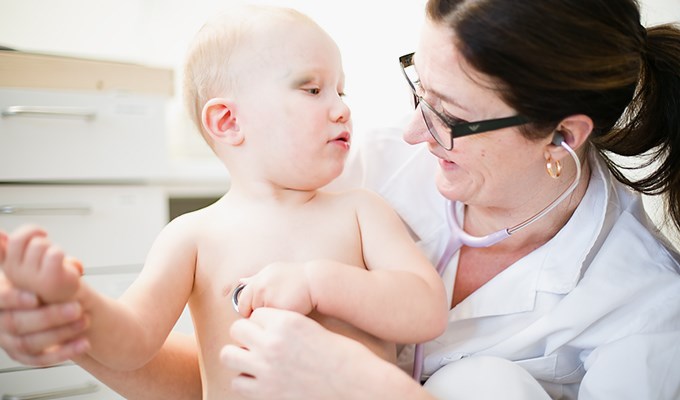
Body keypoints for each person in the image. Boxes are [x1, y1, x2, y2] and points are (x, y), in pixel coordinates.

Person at [1, 0, 680, 398]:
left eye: (448, 113)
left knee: (488, 386)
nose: (413, 130)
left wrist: (359, 379)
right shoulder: (341, 173)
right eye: (420, 89)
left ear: (563, 136)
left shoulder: (645, 311)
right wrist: (71, 322)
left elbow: (421, 312)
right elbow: (196, 365)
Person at [0, 5, 448, 400]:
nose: (341, 108)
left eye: (341, 91)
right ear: (228, 120)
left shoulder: (360, 212)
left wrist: (318, 282)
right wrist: (74, 304)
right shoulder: (192, 237)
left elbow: (426, 311)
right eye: (313, 90)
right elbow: (134, 343)